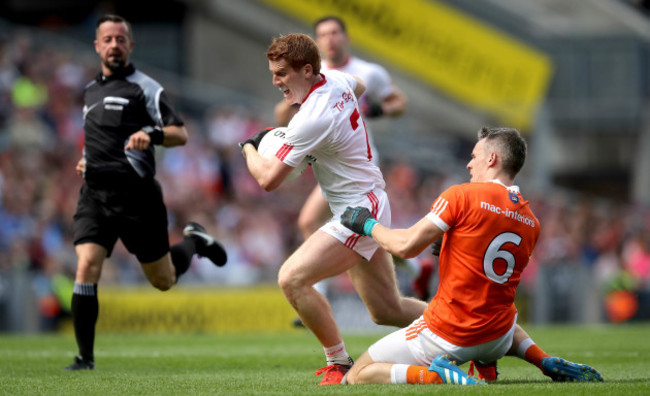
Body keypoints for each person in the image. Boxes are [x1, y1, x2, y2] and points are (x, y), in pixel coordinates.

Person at [340, 127, 603, 385]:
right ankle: (542, 359)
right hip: (495, 340)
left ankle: (434, 376)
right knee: (500, 311)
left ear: (492, 159)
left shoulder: (461, 195)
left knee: (358, 374)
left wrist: (367, 224)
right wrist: (449, 244)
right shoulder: (531, 221)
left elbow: (405, 246)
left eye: (474, 156)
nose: (468, 164)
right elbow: (482, 260)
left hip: (450, 334)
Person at [240, 33, 428, 385]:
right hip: (369, 199)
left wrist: (250, 146)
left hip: (359, 211)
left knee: (292, 279)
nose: (275, 81)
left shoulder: (310, 119)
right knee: (388, 310)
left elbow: (267, 181)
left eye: (281, 73)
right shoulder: (335, 78)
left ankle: (338, 361)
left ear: (306, 69)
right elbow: (357, 88)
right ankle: (469, 328)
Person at [65, 14, 227, 371]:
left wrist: (151, 135)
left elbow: (180, 134)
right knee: (87, 264)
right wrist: (85, 160)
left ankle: (194, 242)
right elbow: (100, 141)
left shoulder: (146, 87)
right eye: (107, 39)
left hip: (138, 198)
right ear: (97, 45)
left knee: (164, 280)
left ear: (131, 45)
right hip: (94, 194)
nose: (114, 45)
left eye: (120, 39)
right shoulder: (90, 91)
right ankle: (84, 358)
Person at [275, 16, 432, 307]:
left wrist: (376, 109)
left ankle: (317, 292)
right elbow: (281, 115)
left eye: (335, 33)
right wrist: (293, 103)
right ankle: (415, 268)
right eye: (323, 34)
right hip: (328, 157)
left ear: (345, 37)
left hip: (356, 160)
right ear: (318, 41)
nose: (330, 39)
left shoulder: (368, 73)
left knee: (310, 219)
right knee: (360, 230)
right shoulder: (311, 75)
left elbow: (398, 102)